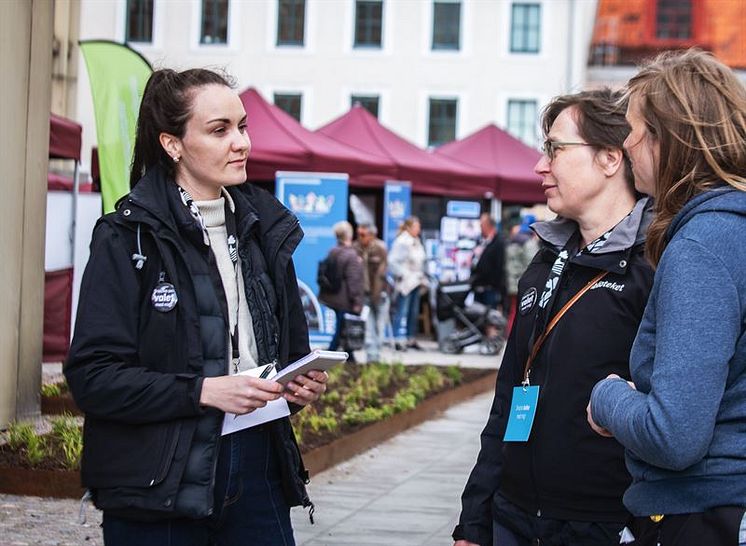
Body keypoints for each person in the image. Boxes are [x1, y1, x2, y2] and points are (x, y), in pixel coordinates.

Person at [64, 68, 329, 546]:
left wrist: (297, 384)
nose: (241, 143)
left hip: (257, 466)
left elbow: (287, 355)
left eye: (243, 126)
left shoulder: (266, 231)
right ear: (172, 144)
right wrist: (204, 391)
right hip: (157, 481)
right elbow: (93, 377)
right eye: (219, 129)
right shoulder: (126, 236)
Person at [453, 88, 655, 546]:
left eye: (555, 149)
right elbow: (509, 395)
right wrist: (474, 519)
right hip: (514, 515)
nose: (540, 165)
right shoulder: (545, 260)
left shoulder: (655, 266)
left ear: (609, 158)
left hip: (603, 522)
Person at [587, 49, 746, 546]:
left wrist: (607, 397)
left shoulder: (704, 244)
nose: (627, 144)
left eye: (632, 129)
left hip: (699, 512)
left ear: (666, 139)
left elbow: (673, 435)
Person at [319, 220, 364, 359]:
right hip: (345, 299)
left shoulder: (332, 251)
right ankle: (333, 354)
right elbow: (353, 281)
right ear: (349, 235)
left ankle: (348, 355)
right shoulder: (351, 255)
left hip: (332, 297)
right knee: (342, 329)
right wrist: (357, 301)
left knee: (342, 327)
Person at [388, 216, 427, 351]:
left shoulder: (416, 241)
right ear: (409, 227)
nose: (419, 230)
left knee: (413, 311)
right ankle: (398, 339)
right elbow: (392, 262)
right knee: (401, 310)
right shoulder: (402, 241)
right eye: (417, 227)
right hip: (405, 282)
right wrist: (404, 274)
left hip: (416, 281)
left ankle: (410, 338)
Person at [353, 223, 389, 363]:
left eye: (363, 235)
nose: (360, 238)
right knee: (368, 327)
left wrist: (379, 293)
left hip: (380, 294)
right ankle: (371, 357)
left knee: (380, 327)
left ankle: (377, 354)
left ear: (372, 235)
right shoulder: (355, 248)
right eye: (358, 234)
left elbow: (382, 271)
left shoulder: (380, 248)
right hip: (364, 294)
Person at [504, 216, 539, 330]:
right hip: (524, 284)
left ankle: (509, 335)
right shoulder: (528, 243)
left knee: (513, 311)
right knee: (522, 312)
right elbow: (533, 264)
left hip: (511, 283)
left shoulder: (512, 240)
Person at [470, 213, 505, 310]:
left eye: (481, 225)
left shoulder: (498, 242)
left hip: (490, 288)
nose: (480, 228)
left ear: (488, 225)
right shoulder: (481, 241)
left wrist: (495, 285)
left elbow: (499, 266)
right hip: (477, 285)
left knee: (490, 318)